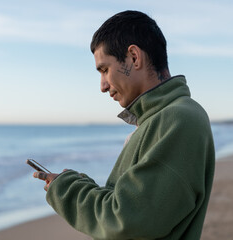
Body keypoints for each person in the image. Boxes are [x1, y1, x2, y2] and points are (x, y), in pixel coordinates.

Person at [33, 10, 215, 240]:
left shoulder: (179, 118)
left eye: (105, 69)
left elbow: (128, 221)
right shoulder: (159, 119)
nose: (102, 85)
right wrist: (83, 185)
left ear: (134, 57)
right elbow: (134, 205)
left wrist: (67, 190)